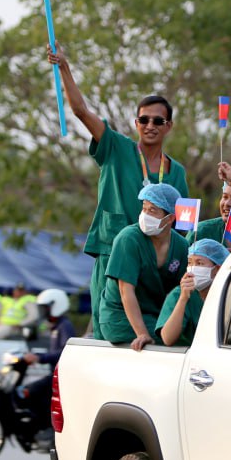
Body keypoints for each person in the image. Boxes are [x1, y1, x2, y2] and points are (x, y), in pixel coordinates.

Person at [48, 45, 188, 339]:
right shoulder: (116, 147)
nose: (150, 125)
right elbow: (80, 111)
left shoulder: (177, 172)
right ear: (136, 123)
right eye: (144, 120)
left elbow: (186, 226)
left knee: (155, 330)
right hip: (112, 250)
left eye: (158, 121)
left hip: (154, 262)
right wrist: (64, 68)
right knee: (107, 326)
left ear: (168, 126)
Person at [98, 183, 188, 350]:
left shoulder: (181, 246)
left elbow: (179, 292)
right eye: (144, 208)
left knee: (190, 335)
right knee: (172, 340)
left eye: (152, 210)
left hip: (156, 316)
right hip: (120, 318)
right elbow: (125, 290)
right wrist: (142, 334)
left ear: (170, 218)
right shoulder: (128, 239)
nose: (145, 215)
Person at [18, 288, 77, 430]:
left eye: (45, 308)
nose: (43, 312)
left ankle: (45, 428)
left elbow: (64, 352)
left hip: (60, 375)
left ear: (55, 306)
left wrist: (39, 358)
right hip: (55, 374)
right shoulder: (56, 326)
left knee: (30, 391)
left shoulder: (64, 326)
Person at [156, 239, 228, 347]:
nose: (193, 268)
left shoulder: (227, 294)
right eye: (190, 262)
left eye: (200, 263)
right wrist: (183, 299)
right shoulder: (178, 294)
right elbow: (167, 338)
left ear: (217, 269)